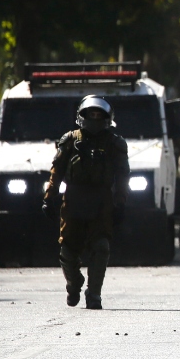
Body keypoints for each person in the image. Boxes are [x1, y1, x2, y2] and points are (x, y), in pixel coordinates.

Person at [42, 96, 130, 310]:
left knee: (101, 247)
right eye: (91, 115)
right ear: (82, 116)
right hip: (73, 202)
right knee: (68, 251)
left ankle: (94, 294)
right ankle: (74, 284)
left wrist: (120, 203)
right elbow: (56, 171)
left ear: (107, 118)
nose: (95, 119)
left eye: (99, 115)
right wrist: (49, 197)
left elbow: (123, 176)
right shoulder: (70, 140)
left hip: (102, 203)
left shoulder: (115, 143)